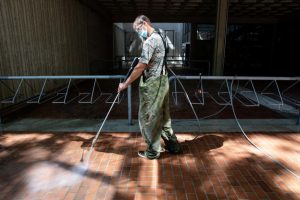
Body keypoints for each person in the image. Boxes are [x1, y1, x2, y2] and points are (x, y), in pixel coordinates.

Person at [118, 15, 182, 160]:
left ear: (144, 23)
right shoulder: (162, 35)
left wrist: (125, 84)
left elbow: (141, 66)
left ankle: (153, 151)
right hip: (163, 81)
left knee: (147, 117)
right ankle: (174, 146)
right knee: (164, 117)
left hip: (153, 83)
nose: (138, 32)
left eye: (138, 29)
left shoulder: (150, 41)